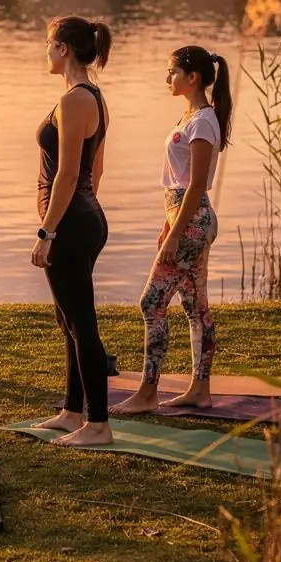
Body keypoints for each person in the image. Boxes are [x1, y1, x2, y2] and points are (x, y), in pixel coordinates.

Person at [113, 45, 232, 414]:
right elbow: (179, 182)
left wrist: (178, 232)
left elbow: (195, 186)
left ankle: (148, 393)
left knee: (151, 303)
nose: (168, 78)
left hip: (193, 222)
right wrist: (168, 226)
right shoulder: (192, 116)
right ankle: (200, 391)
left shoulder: (203, 122)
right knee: (195, 307)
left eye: (173, 72)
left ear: (191, 77)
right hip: (185, 219)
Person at [32, 16, 113, 447]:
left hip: (69, 223)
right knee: (68, 319)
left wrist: (48, 232)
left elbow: (67, 174)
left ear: (63, 48)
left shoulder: (73, 100)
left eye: (49, 44)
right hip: (83, 218)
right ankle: (72, 411)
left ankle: (98, 424)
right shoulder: (93, 96)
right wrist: (81, 214)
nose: (46, 52)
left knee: (81, 323)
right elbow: (95, 170)